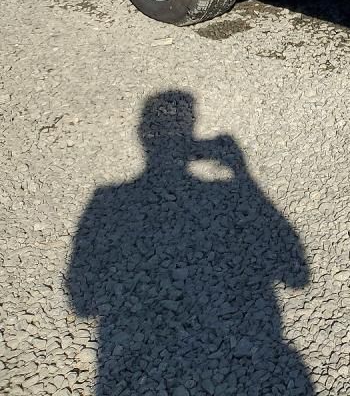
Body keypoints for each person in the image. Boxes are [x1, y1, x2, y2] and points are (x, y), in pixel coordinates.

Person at [67, 90, 312, 394]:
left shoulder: (106, 201)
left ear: (142, 135)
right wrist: (242, 174)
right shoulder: (225, 196)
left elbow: (81, 300)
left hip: (133, 364)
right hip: (247, 355)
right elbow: (296, 274)